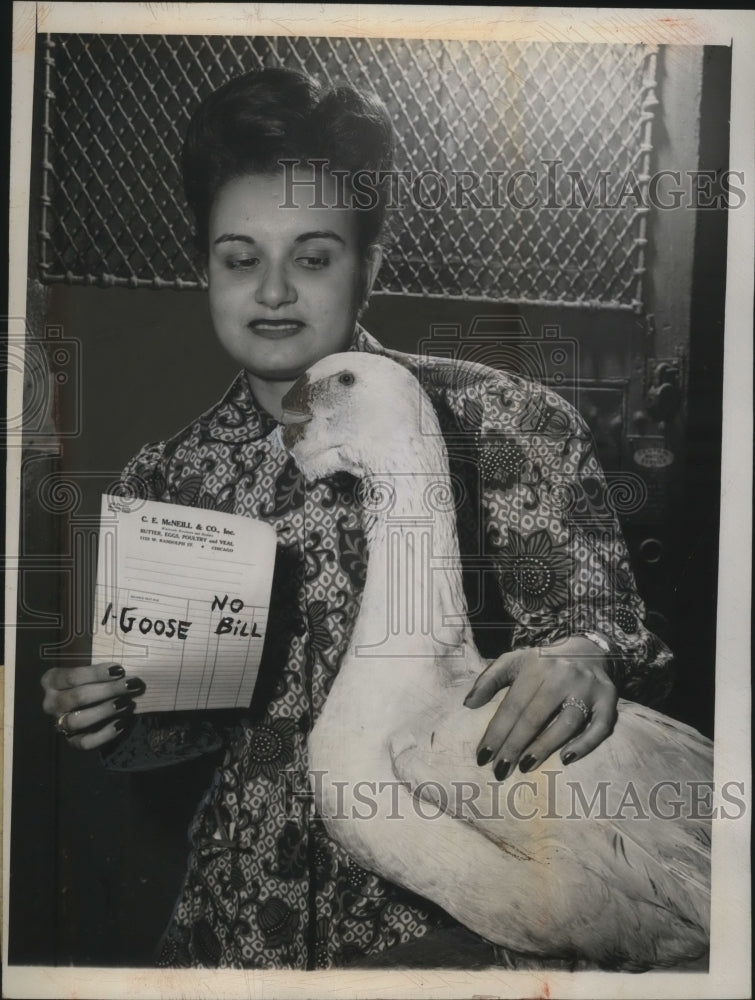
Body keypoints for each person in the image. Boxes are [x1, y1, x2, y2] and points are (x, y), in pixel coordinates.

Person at [41, 68, 673, 969]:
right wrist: (110, 709)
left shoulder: (505, 424)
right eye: (238, 257)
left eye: (312, 256)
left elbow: (602, 641)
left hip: (459, 925)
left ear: (369, 263)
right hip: (244, 927)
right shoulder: (173, 473)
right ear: (203, 267)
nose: (271, 293)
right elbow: (182, 725)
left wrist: (585, 659)